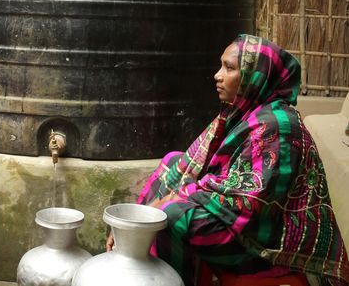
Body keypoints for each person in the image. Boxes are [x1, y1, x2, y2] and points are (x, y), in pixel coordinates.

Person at [107, 34, 349, 286]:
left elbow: (246, 202)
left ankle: (167, 280)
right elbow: (200, 167)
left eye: (230, 68)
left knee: (173, 216)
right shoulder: (246, 112)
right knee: (173, 162)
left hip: (263, 241)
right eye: (221, 65)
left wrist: (167, 204)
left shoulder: (277, 126)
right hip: (239, 218)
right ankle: (136, 255)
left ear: (256, 76)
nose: (218, 75)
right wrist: (133, 226)